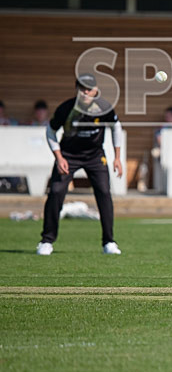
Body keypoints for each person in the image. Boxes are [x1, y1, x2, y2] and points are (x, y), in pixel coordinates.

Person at [36, 74, 123, 256]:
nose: (85, 92)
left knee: (104, 193)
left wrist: (117, 157)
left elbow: (116, 127)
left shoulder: (104, 108)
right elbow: (50, 131)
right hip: (69, 156)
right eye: (82, 88)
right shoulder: (66, 109)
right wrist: (59, 157)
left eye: (89, 89)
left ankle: (109, 242)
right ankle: (46, 241)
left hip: (95, 156)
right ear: (77, 89)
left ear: (96, 90)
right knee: (56, 192)